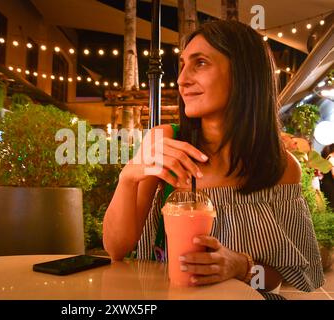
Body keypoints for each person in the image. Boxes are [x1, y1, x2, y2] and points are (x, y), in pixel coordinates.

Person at [103, 20, 324, 298]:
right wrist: (129, 175)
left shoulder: (281, 167)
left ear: (244, 74)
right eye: (182, 64)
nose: (182, 80)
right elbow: (116, 248)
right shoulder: (169, 143)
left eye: (201, 63)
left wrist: (240, 267)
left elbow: (283, 280)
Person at [321, 144, 334, 211]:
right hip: (330, 186)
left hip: (326, 184)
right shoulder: (332, 159)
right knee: (331, 207)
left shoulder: (329, 157)